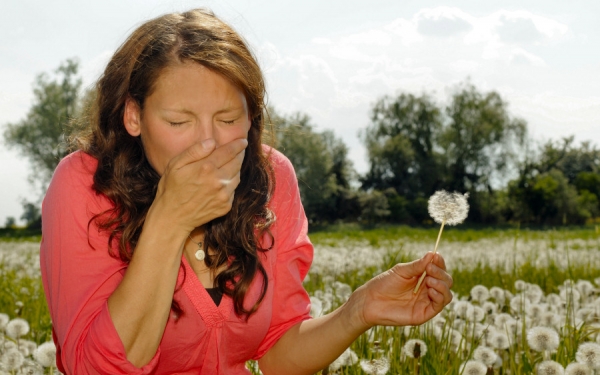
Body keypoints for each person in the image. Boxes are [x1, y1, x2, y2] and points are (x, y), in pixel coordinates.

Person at [39, 8, 453, 375]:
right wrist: (170, 220)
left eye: (228, 118)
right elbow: (95, 368)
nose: (208, 144)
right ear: (134, 115)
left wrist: (358, 311)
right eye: (179, 122)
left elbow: (277, 353)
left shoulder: (271, 178)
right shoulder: (84, 185)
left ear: (252, 116)